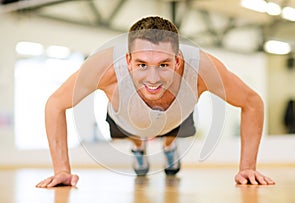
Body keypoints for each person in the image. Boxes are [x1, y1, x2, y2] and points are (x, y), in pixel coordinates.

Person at [36, 16, 275, 188]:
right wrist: (62, 171)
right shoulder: (104, 67)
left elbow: (252, 102)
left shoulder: (202, 68)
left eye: (163, 65)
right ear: (128, 60)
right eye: (142, 65)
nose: (153, 78)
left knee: (170, 118)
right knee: (137, 126)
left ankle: (169, 148)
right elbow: (55, 104)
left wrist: (247, 167)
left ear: (178, 60)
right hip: (126, 117)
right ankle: (138, 149)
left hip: (175, 116)